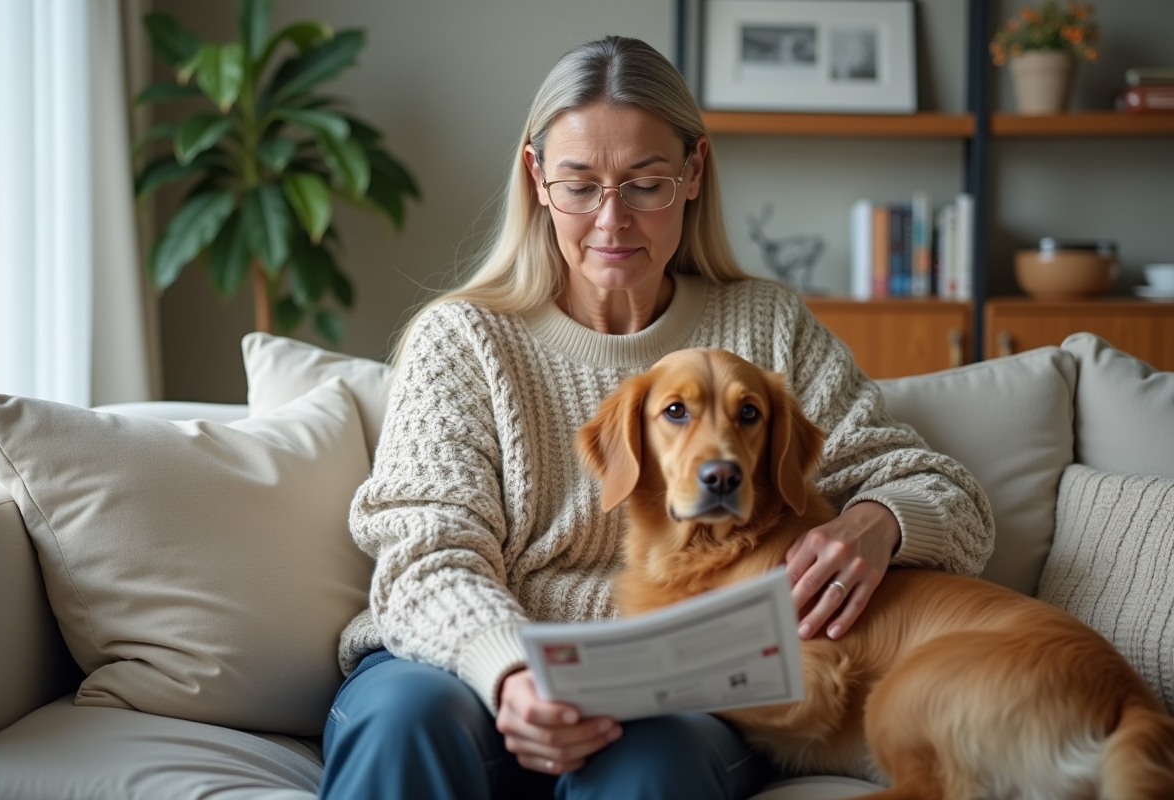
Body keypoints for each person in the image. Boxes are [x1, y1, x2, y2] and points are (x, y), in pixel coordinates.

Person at [320, 35, 994, 800]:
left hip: (672, 694)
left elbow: (947, 494)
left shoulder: (766, 328)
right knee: (408, 717)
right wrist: (508, 670)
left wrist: (878, 522)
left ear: (694, 173)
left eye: (645, 185)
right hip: (461, 663)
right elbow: (423, 551)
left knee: (655, 765)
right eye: (579, 185)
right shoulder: (463, 340)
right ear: (537, 178)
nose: (612, 222)